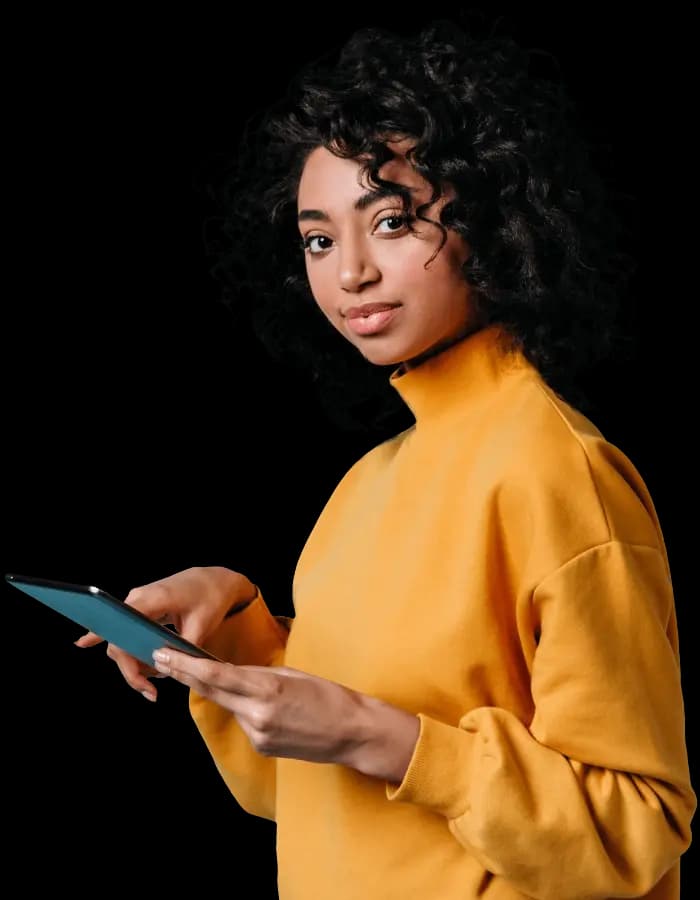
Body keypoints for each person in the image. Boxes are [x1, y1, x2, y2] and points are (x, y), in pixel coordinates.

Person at [75, 16, 695, 899]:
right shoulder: (369, 485)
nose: (350, 273)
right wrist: (232, 636)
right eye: (319, 239)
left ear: (494, 219)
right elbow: (299, 794)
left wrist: (385, 737)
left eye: (393, 221)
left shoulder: (559, 473)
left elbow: (633, 835)